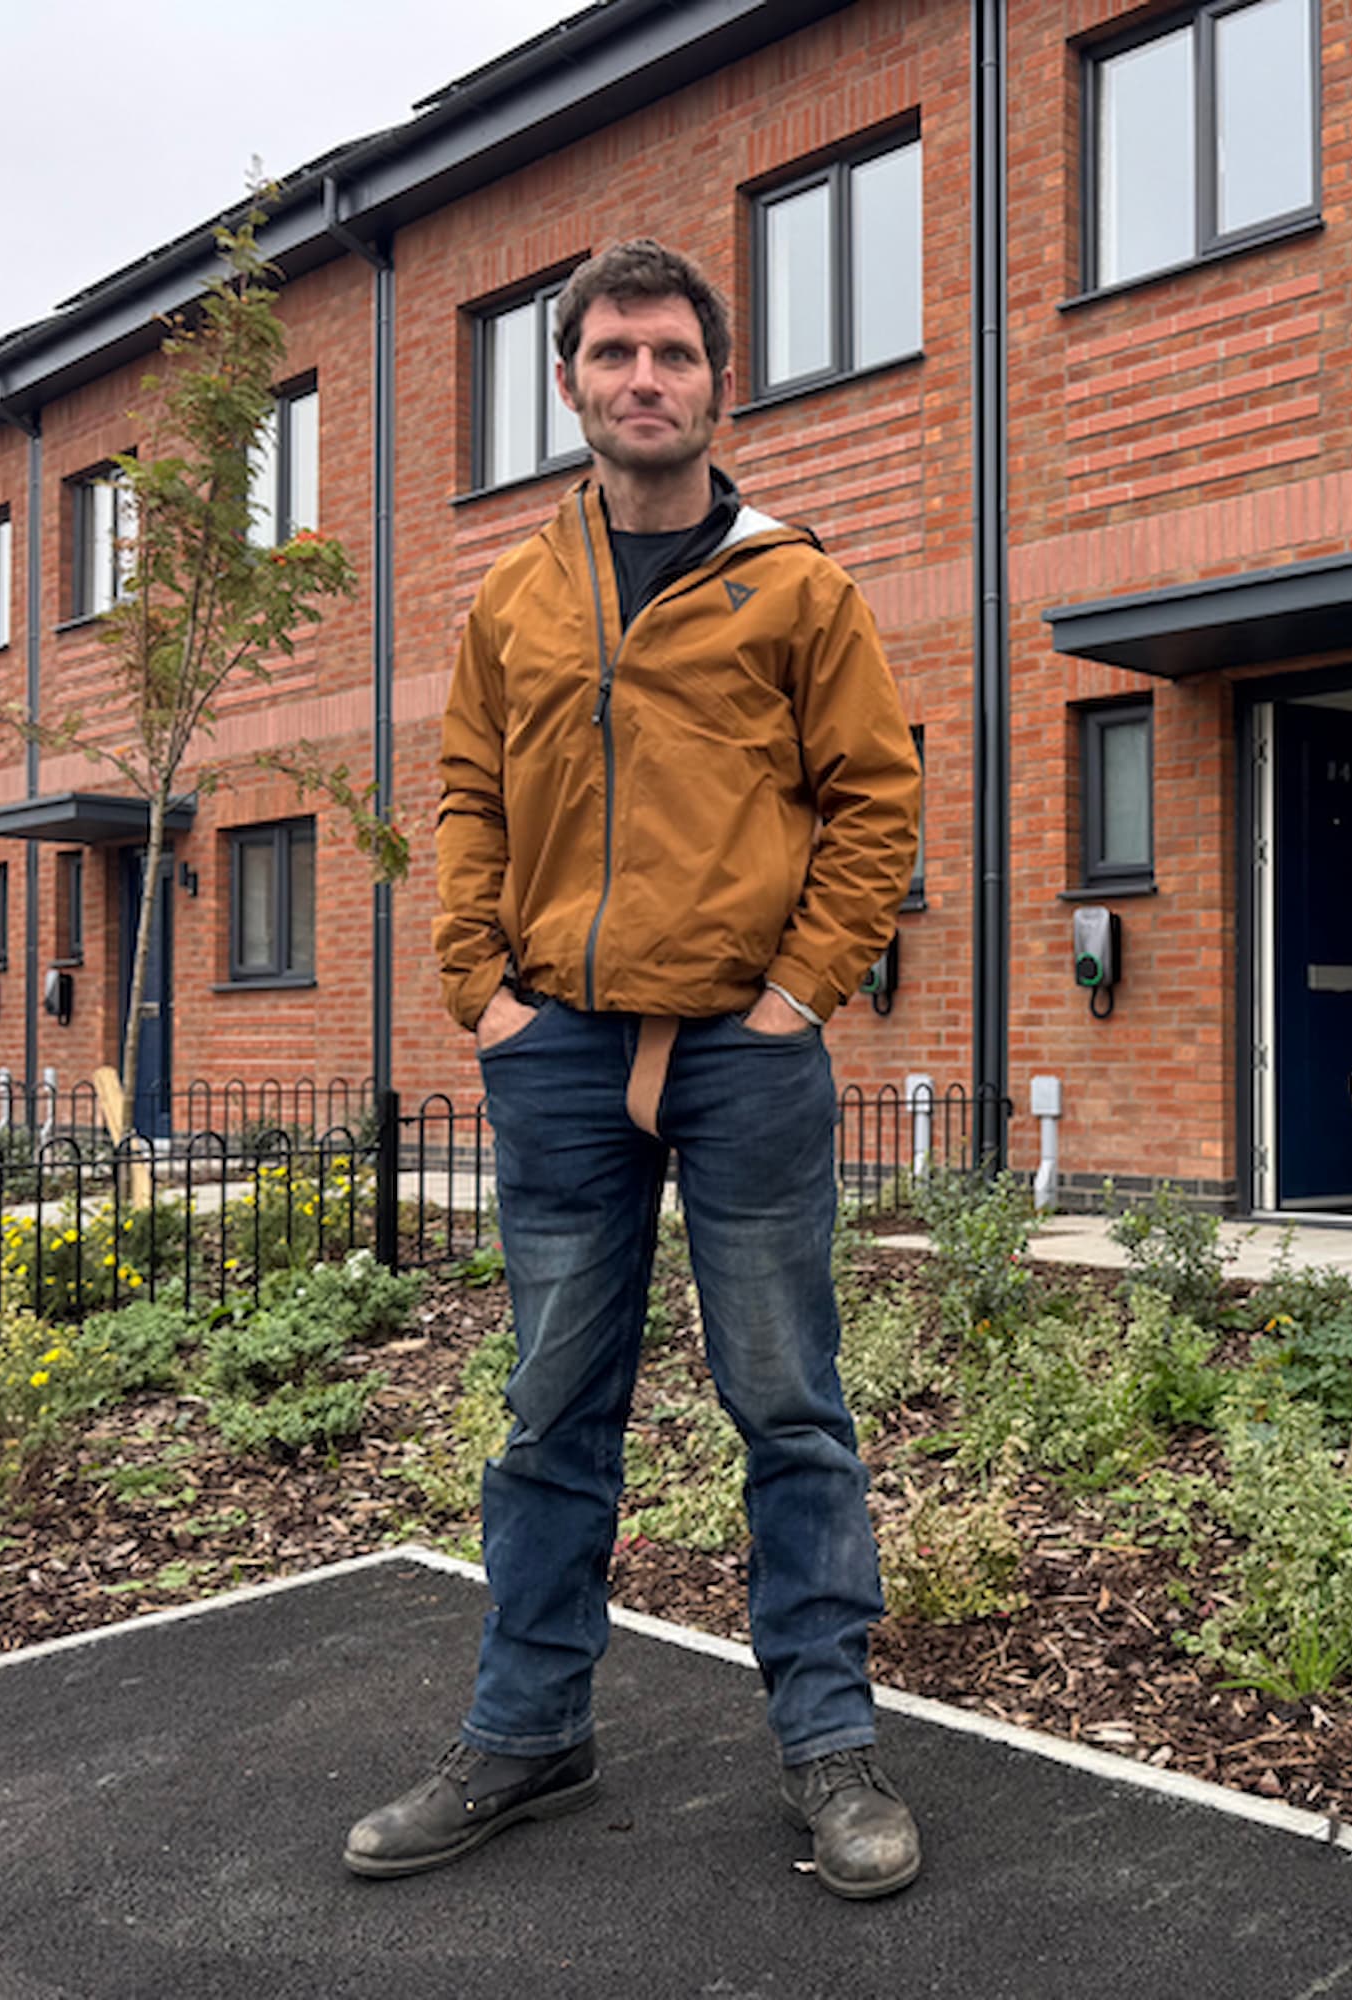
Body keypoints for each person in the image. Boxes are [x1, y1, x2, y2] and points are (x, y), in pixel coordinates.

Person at [344, 239, 923, 1900]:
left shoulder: (796, 585)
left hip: (744, 1054)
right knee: (547, 1415)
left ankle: (830, 1751)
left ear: (715, 381)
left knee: (790, 1409)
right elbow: (465, 796)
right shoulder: (517, 596)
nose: (643, 378)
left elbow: (877, 800)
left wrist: (804, 991)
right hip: (558, 1051)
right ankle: (526, 1733)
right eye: (613, 353)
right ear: (572, 384)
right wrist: (483, 991)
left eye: (671, 352)